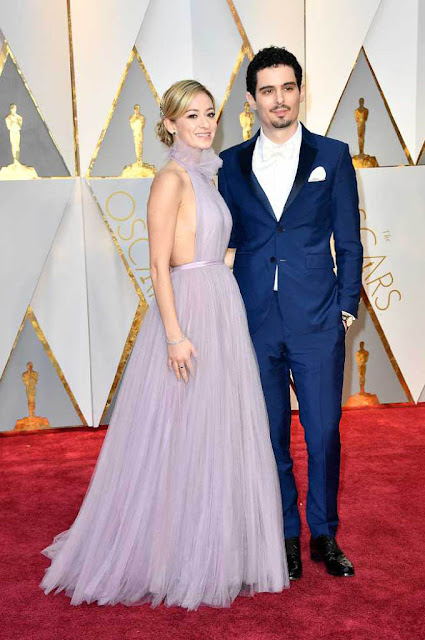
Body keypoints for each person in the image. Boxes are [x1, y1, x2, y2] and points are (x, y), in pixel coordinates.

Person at [40, 80, 289, 610]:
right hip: (188, 311)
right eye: (192, 115)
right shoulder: (170, 179)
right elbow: (159, 264)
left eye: (209, 114)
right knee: (179, 430)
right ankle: (169, 552)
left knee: (215, 428)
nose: (203, 123)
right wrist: (174, 335)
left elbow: (214, 253)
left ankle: (214, 548)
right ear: (170, 123)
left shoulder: (205, 177)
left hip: (220, 304)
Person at [218, 47, 363, 580]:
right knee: (270, 433)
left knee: (324, 432)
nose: (279, 99)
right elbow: (225, 238)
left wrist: (346, 309)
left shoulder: (334, 154)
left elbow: (348, 241)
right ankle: (284, 536)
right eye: (268, 90)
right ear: (252, 99)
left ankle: (324, 533)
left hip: (319, 319)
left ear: (301, 90)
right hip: (254, 321)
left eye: (288, 87)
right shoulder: (229, 164)